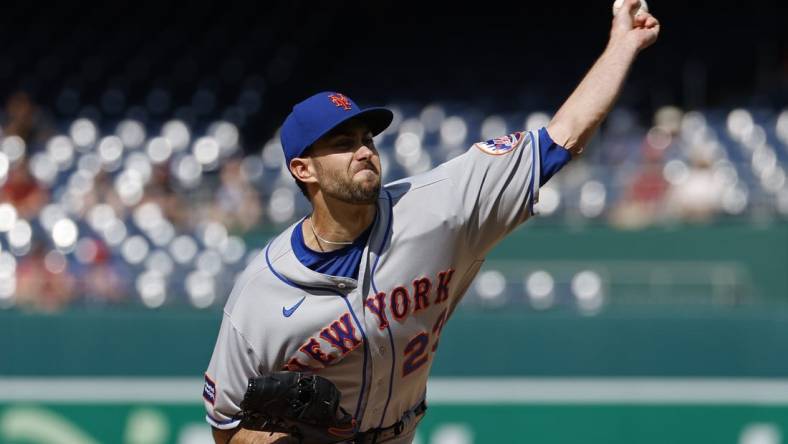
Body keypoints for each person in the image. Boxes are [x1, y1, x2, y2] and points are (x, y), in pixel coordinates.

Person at [205, 1, 660, 442]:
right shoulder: (261, 292)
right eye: (343, 143)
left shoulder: (438, 207)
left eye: (367, 137)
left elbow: (562, 136)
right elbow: (225, 432)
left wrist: (623, 42)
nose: (365, 150)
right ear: (303, 170)